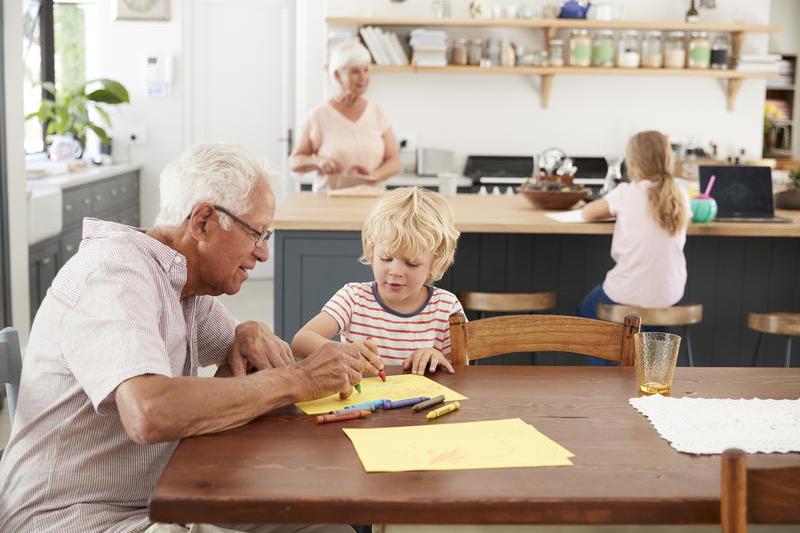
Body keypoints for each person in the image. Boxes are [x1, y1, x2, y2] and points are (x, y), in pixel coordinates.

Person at [0, 143, 362, 533]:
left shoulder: (186, 286)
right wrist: (300, 380)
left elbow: (252, 367)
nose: (263, 254)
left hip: (161, 498)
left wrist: (250, 332)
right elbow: (149, 412)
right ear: (203, 221)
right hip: (77, 518)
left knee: (326, 520)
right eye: (257, 233)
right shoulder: (112, 273)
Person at [292, 187, 463, 375]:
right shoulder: (353, 298)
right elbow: (301, 341)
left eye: (412, 263)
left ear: (435, 263)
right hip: (360, 402)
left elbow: (462, 369)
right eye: (386, 258)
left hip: (424, 403)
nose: (395, 271)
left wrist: (437, 357)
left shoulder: (446, 307)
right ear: (372, 252)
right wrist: (344, 352)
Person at [578, 130, 690, 324]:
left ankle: (612, 352)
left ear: (632, 164)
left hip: (626, 294)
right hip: (668, 297)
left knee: (586, 311)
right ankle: (651, 348)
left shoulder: (625, 193)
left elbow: (587, 213)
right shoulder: (680, 195)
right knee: (647, 325)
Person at [290, 40, 400, 192]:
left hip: (372, 202)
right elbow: (295, 162)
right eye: (355, 71)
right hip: (329, 204)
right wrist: (319, 162)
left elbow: (394, 160)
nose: (363, 77)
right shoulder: (318, 116)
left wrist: (373, 176)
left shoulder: (377, 113)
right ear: (337, 75)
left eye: (366, 70)